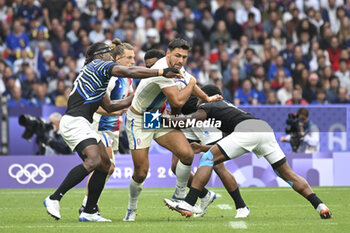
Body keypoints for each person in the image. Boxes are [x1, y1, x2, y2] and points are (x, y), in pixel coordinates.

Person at [43, 41, 180, 222]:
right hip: (75, 122)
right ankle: (54, 198)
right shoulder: (98, 64)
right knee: (93, 160)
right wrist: (160, 72)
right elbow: (128, 71)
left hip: (82, 122)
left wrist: (139, 97)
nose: (111, 55)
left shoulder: (97, 77)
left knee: (105, 165)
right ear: (100, 55)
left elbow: (109, 106)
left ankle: (89, 211)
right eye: (109, 52)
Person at [164, 85, 332, 219]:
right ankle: (320, 205)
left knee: (208, 159)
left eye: (199, 96)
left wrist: (161, 120)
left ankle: (189, 202)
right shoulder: (227, 107)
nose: (196, 100)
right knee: (287, 174)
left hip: (247, 131)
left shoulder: (208, 105)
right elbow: (228, 145)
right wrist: (201, 148)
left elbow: (187, 122)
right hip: (263, 129)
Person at [123, 39, 221, 221]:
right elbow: (177, 101)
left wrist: (206, 96)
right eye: (177, 55)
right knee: (141, 172)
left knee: (186, 154)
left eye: (184, 56)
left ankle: (180, 195)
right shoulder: (162, 70)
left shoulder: (177, 67)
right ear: (168, 53)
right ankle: (131, 208)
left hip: (155, 117)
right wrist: (192, 84)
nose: (181, 59)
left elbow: (189, 82)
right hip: (138, 119)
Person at [78, 39, 136, 214]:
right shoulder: (110, 77)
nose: (132, 61)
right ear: (116, 58)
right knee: (107, 166)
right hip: (99, 126)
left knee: (106, 168)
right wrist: (114, 113)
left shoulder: (127, 79)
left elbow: (133, 97)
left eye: (133, 58)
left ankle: (88, 204)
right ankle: (87, 205)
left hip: (112, 130)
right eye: (129, 58)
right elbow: (96, 104)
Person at [175, 95, 250, 218]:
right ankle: (204, 195)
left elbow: (196, 91)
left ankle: (241, 206)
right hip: (182, 117)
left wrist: (206, 98)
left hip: (197, 116)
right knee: (176, 166)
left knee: (217, 165)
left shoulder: (181, 78)